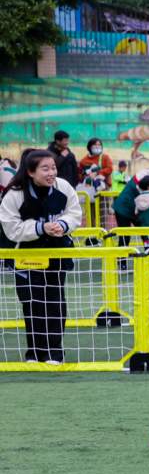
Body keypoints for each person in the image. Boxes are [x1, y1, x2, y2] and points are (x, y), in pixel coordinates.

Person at [0, 149, 83, 364]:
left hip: (57, 255)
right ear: (30, 172)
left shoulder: (63, 187)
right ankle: (35, 353)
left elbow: (74, 213)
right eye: (45, 169)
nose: (51, 173)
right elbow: (11, 229)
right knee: (31, 303)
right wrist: (40, 228)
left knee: (55, 302)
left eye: (53, 167)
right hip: (25, 258)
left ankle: (55, 353)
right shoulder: (14, 194)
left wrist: (63, 225)